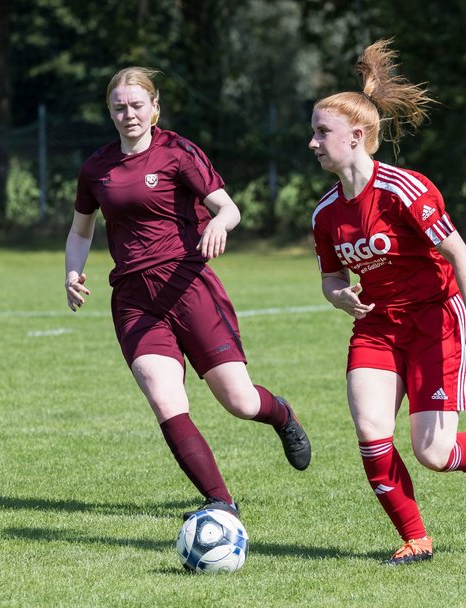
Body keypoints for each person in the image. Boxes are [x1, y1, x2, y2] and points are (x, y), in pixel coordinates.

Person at [308, 39, 466, 565]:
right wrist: (339, 297)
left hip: (437, 318)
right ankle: (416, 539)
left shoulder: (403, 189)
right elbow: (330, 280)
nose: (313, 143)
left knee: (435, 453)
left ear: (358, 136)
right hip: (376, 327)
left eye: (323, 133)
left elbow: (459, 252)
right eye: (315, 132)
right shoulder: (325, 213)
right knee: (371, 434)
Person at [64, 67, 310, 521]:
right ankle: (221, 502)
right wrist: (72, 271)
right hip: (136, 300)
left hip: (189, 287)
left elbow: (228, 208)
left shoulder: (177, 151)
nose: (128, 114)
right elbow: (81, 230)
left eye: (137, 105)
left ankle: (281, 416)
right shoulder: (96, 167)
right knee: (164, 397)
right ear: (109, 111)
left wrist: (218, 222)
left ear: (155, 107)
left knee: (239, 401)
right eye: (119, 106)